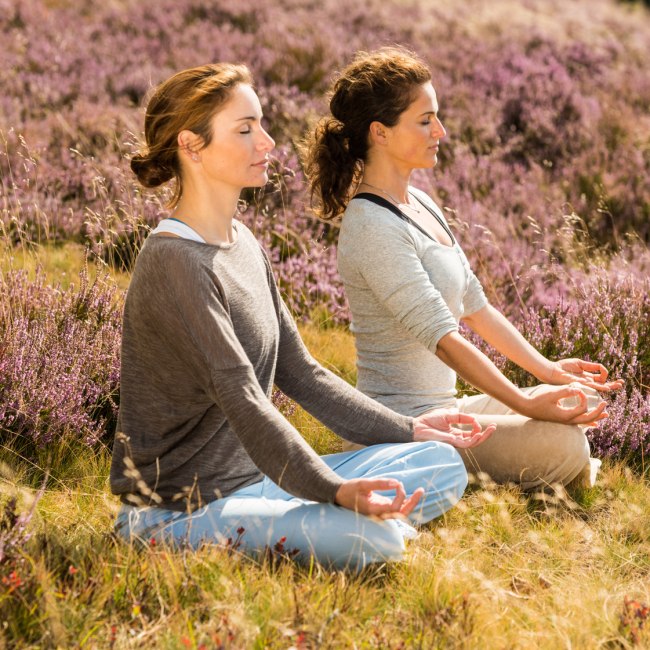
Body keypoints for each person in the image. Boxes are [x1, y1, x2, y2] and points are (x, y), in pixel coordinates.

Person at [109, 63, 495, 572]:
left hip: (261, 484)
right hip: (180, 510)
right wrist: (334, 490)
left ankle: (349, 521)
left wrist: (414, 429)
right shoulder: (175, 261)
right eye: (246, 129)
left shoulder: (242, 242)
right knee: (374, 542)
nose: (267, 142)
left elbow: (302, 372)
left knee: (442, 462)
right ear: (192, 145)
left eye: (262, 125)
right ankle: (367, 528)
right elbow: (244, 398)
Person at [303, 47, 623, 490]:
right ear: (380, 132)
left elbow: (475, 305)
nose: (441, 130)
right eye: (424, 120)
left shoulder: (421, 203)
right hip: (402, 428)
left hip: (448, 410)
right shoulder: (371, 224)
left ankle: (529, 463)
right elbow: (444, 339)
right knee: (563, 443)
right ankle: (473, 472)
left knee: (576, 399)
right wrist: (527, 407)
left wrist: (548, 370)